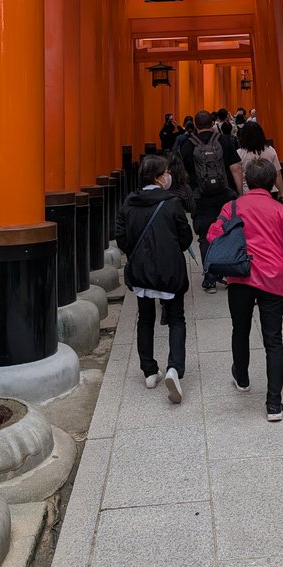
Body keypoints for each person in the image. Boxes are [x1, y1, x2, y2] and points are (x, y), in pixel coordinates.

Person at [207, 158, 283, 422]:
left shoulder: (232, 206)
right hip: (272, 279)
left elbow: (214, 236)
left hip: (241, 277)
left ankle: (243, 378)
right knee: (274, 340)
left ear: (246, 180)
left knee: (241, 329)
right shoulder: (281, 210)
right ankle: (273, 404)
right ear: (272, 182)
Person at [115, 155, 193, 403]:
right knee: (176, 318)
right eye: (167, 171)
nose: (169, 175)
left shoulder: (129, 202)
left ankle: (149, 371)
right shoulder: (171, 203)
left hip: (141, 272)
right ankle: (174, 368)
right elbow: (185, 237)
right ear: (160, 176)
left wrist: (137, 256)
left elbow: (121, 237)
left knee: (145, 319)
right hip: (169, 271)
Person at [180, 109, 243, 293]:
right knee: (228, 232)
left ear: (196, 125)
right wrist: (239, 193)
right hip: (225, 196)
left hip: (200, 198)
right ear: (211, 122)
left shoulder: (187, 145)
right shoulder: (224, 141)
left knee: (205, 236)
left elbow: (182, 174)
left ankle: (210, 278)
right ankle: (229, 272)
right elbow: (236, 168)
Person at [237, 120, 283, 197]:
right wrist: (281, 192)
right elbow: (277, 174)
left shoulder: (239, 153)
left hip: (248, 192)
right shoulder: (270, 150)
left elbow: (239, 177)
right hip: (271, 191)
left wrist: (240, 195)